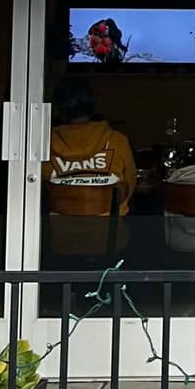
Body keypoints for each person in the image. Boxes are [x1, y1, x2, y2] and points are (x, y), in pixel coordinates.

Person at [43, 76, 138, 259]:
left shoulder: (43, 146)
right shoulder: (117, 142)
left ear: (59, 110)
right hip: (110, 241)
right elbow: (128, 190)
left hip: (57, 242)